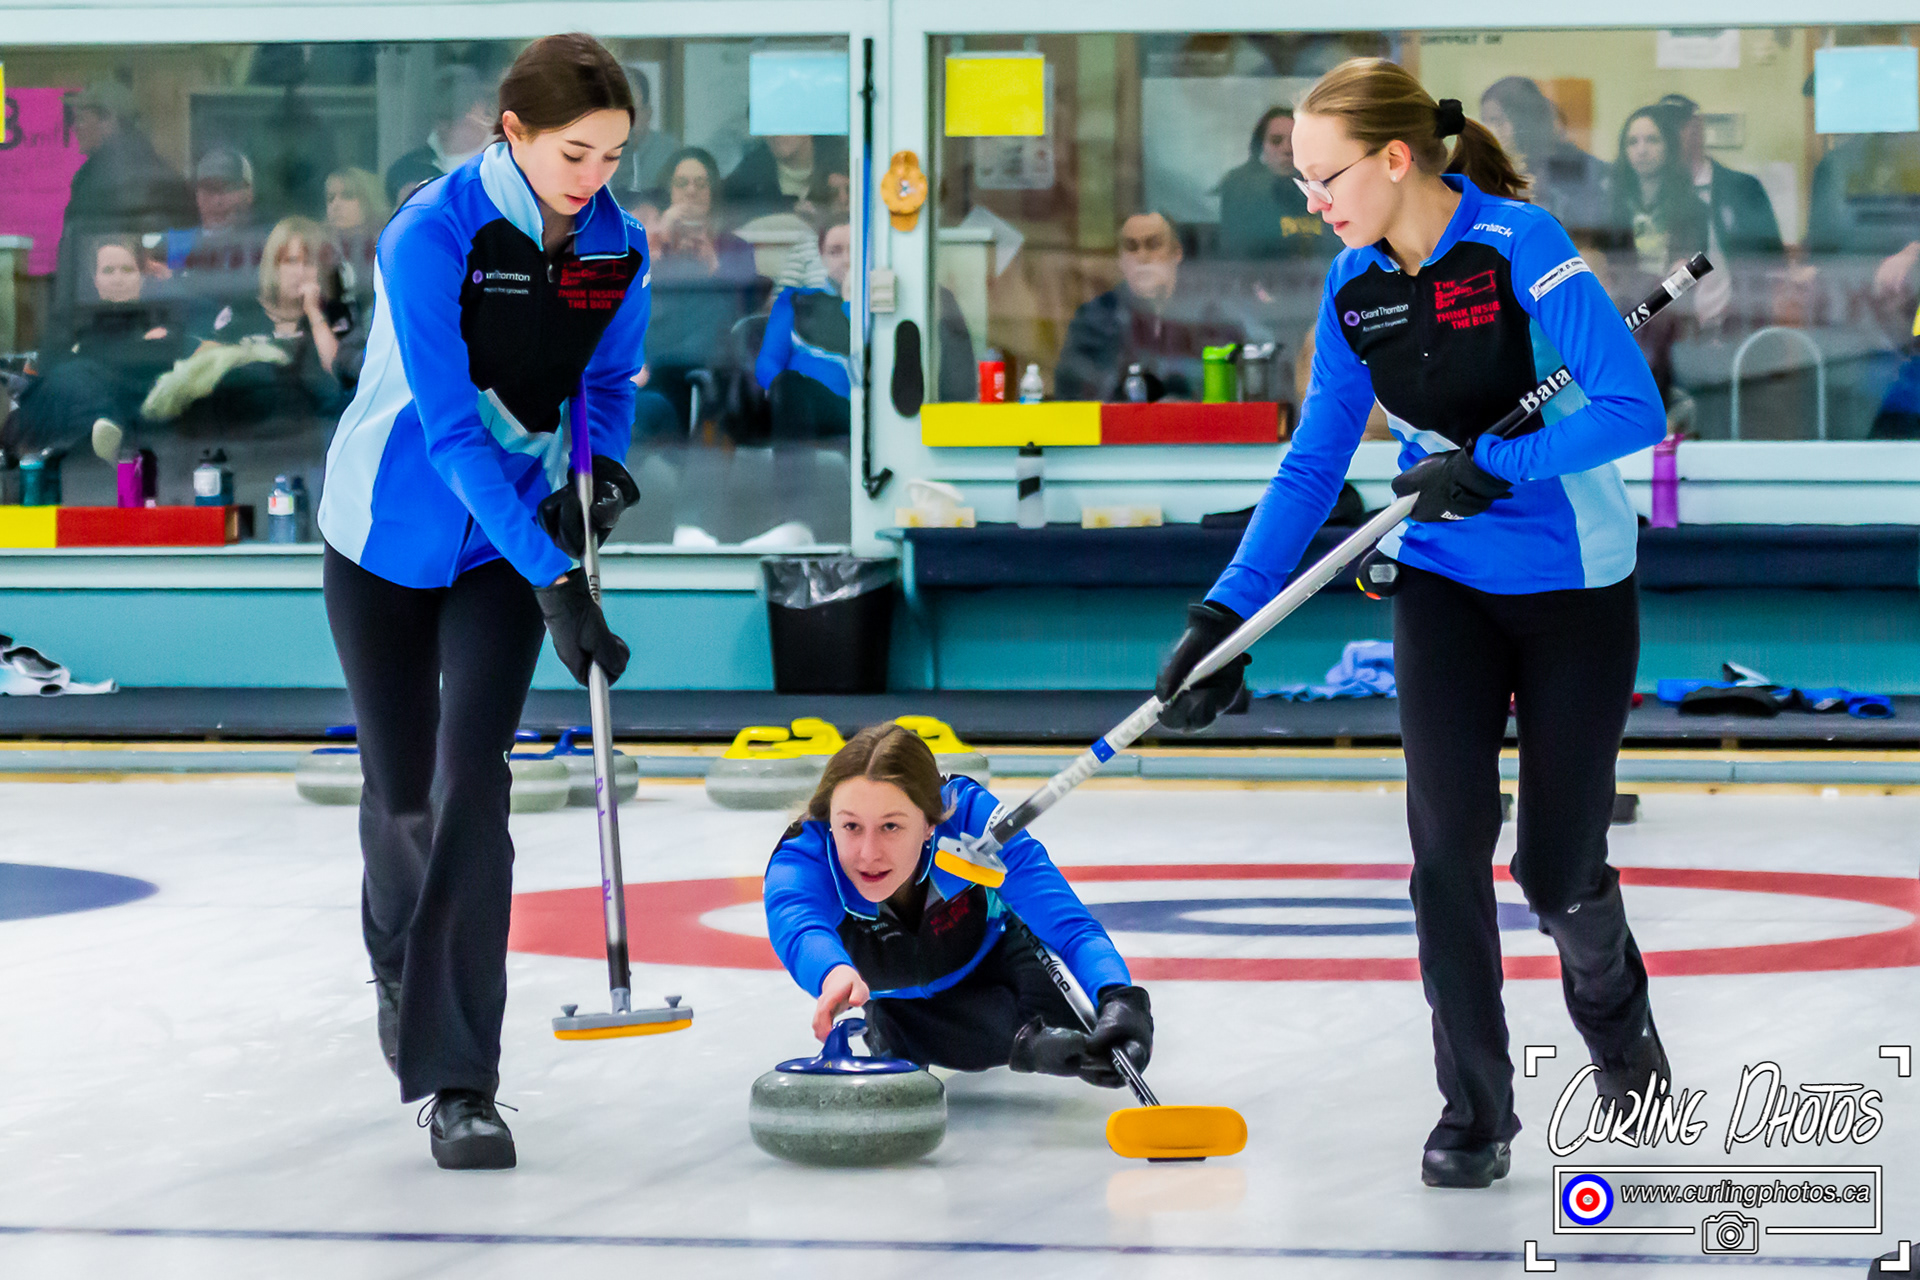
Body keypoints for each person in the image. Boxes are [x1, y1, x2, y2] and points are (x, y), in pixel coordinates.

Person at [1153, 58, 1670, 1190]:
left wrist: (1499, 464)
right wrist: (1225, 613)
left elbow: (1633, 408)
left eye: (1326, 176)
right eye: (1301, 182)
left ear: (1396, 159)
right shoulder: (1355, 289)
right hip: (1443, 584)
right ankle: (1475, 1110)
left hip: (1576, 586)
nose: (1314, 202)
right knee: (1444, 855)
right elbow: (1311, 465)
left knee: (1557, 870)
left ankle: (1619, 1022)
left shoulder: (1522, 246)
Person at [315, 33, 648, 1172]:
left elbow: (606, 383)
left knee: (474, 786)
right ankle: (397, 953)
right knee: (404, 793)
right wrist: (559, 580)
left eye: (612, 156)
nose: (592, 178)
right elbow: (452, 434)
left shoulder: (615, 246)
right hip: (383, 536)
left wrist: (597, 481)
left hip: (503, 549)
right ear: (512, 132)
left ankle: (462, 1081)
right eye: (574, 153)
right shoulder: (433, 234)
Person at [763, 722, 1152, 1085]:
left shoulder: (972, 821)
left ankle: (1010, 1036)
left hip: (990, 954)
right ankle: (913, 1030)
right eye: (850, 826)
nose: (868, 853)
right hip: (900, 1002)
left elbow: (1068, 926)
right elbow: (799, 925)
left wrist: (1119, 997)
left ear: (930, 823)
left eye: (891, 826)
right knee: (937, 1032)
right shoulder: (804, 855)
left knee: (1085, 1023)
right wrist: (832, 973)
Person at [6, 234, 185, 463]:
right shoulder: (71, 325)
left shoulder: (165, 322)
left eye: (127, 270)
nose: (118, 278)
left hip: (136, 444)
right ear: (95, 280)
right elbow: (47, 376)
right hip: (71, 451)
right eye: (108, 271)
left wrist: (171, 283)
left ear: (141, 277)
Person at [51, 80, 196, 348]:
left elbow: (82, 260)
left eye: (82, 119)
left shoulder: (105, 178)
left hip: (109, 323)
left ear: (110, 120)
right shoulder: (155, 169)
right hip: (151, 319)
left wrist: (65, 334)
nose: (75, 127)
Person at [1053, 210, 1245, 402]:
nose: (1142, 257)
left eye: (1153, 245)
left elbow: (1237, 390)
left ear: (1177, 253)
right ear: (1120, 259)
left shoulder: (1210, 318)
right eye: (1131, 247)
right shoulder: (1094, 320)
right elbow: (1073, 392)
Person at [639, 147, 763, 433]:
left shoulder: (735, 246)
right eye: (682, 183)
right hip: (654, 354)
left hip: (710, 356)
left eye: (701, 183)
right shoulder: (650, 241)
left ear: (713, 192)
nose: (691, 191)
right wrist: (659, 243)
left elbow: (747, 307)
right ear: (669, 191)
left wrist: (713, 263)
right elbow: (627, 293)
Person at [1477, 77, 1611, 240]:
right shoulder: (1484, 173)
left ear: (1522, 122)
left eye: (1497, 120)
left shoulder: (1574, 168)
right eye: (1485, 121)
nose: (1489, 130)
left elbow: (1585, 235)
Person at [755, 218, 852, 439]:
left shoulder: (879, 308)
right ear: (821, 256)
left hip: (855, 410)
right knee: (788, 384)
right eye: (835, 252)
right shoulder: (795, 300)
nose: (846, 260)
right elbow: (768, 361)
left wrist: (850, 303)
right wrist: (780, 391)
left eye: (854, 250)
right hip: (798, 405)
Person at [1218, 108, 1338, 262]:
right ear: (1260, 148)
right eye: (1276, 141)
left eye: (1295, 141)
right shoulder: (1239, 188)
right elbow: (1236, 251)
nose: (1287, 149)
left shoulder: (1327, 187)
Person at [1608, 106, 1709, 279]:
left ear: (1669, 146)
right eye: (1632, 142)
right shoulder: (1609, 207)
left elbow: (1696, 269)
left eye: (1652, 140)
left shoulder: (1695, 209)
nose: (1642, 150)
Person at [384, 64, 498, 205]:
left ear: (481, 106)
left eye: (461, 106)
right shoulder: (406, 171)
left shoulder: (509, 156)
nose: (449, 122)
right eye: (442, 113)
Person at [723, 134, 851, 222]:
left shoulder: (846, 161)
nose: (775, 133)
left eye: (785, 122)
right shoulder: (749, 174)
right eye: (768, 124)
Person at [611, 64, 679, 205]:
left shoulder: (670, 152)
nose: (624, 119)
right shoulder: (595, 153)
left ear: (648, 113)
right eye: (618, 111)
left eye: (632, 111)